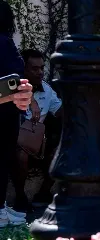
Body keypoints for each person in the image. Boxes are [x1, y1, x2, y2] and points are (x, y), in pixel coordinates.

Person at [13, 49, 62, 215]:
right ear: (24, 69)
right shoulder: (12, 88)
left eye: (42, 68)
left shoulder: (47, 90)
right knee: (21, 153)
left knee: (61, 152)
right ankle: (20, 197)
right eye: (34, 68)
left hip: (38, 143)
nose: (40, 72)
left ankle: (43, 194)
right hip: (15, 143)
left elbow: (60, 111)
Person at [0, 0, 33, 226]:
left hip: (8, 109)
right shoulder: (4, 43)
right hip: (4, 113)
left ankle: (2, 207)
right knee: (2, 159)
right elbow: (14, 78)